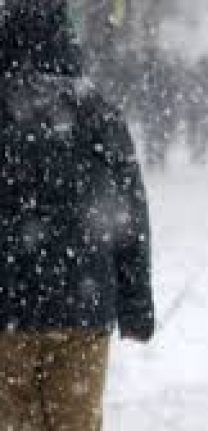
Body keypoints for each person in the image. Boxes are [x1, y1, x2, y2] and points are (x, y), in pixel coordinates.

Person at [0, 2, 155, 429]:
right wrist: (136, 303)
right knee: (76, 420)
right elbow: (130, 214)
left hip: (7, 306)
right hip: (82, 304)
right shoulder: (98, 112)